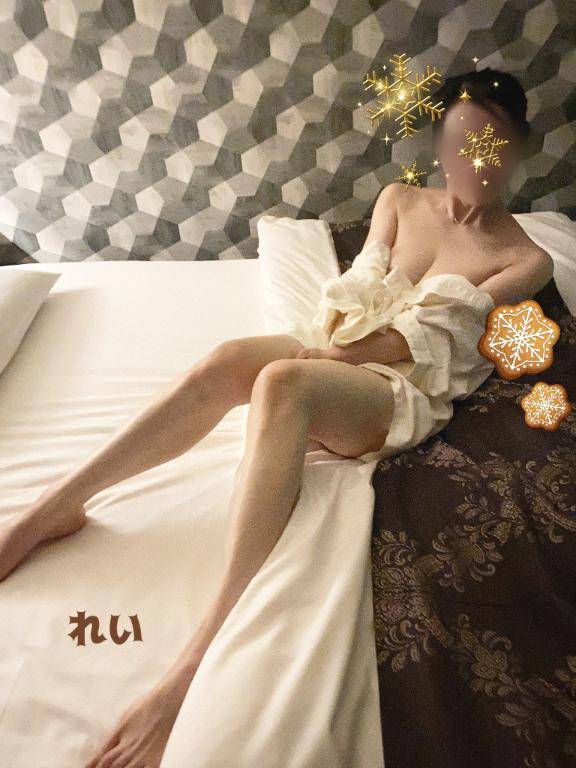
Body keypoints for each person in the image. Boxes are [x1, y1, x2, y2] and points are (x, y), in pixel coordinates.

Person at [0, 67, 553, 767]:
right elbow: (355, 286)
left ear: (517, 147)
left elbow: (428, 339)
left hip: (402, 390)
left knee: (284, 384)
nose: (474, 159)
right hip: (340, 343)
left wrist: (329, 355)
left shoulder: (523, 258)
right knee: (226, 361)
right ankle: (55, 508)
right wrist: (329, 338)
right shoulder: (399, 198)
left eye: (492, 143)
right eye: (460, 139)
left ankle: (194, 662)